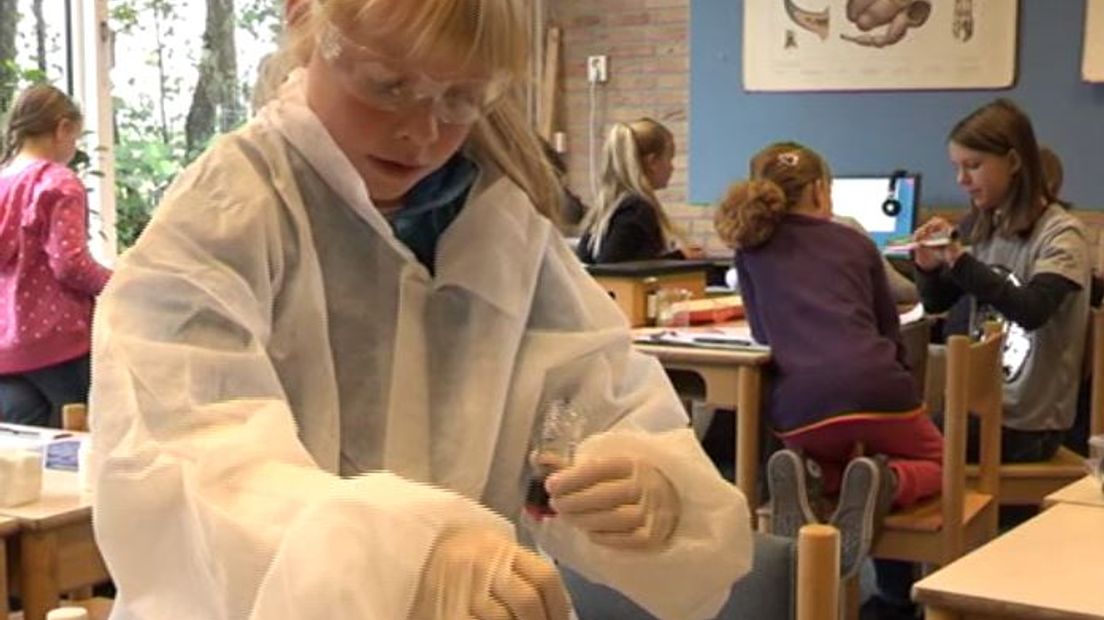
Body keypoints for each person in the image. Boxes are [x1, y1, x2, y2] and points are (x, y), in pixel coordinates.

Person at [88, 1, 752, 619]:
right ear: (303, 22)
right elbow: (192, 463)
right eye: (387, 85)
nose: (422, 132)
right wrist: (399, 552)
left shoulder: (497, 230)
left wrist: (649, 486)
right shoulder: (229, 215)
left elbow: (598, 395)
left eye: (463, 99)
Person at [714, 142, 942, 582]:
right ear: (820, 190)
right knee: (940, 464)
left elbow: (763, 337)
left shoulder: (749, 252)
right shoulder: (854, 242)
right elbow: (888, 328)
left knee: (826, 449)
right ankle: (888, 481)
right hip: (879, 389)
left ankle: (810, 471)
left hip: (803, 409)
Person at [913, 98, 1090, 464]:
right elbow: (937, 303)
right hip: (982, 408)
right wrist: (929, 266)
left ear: (1012, 162)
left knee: (910, 445)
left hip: (1029, 424)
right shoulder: (983, 223)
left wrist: (961, 260)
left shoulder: (1062, 234)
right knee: (897, 431)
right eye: (957, 168)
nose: (962, 180)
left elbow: (1032, 310)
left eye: (973, 166)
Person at [0, 84, 112, 427]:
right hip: (59, 342)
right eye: (74, 137)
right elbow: (70, 264)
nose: (73, 147)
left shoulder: (3, 182)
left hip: (8, 346)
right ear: (62, 128)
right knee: (82, 439)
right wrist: (119, 283)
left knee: (25, 452)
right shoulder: (58, 182)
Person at [576, 118, 703, 263]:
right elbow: (613, 267)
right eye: (669, 159)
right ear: (652, 162)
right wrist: (679, 257)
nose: (672, 167)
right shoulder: (636, 209)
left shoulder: (609, 207)